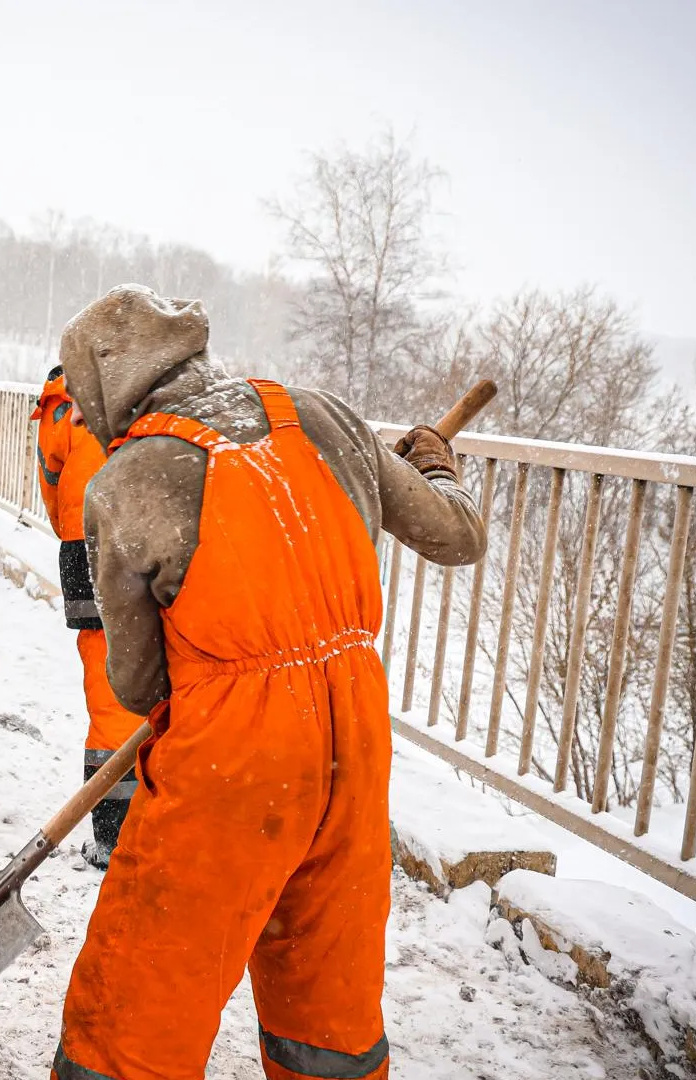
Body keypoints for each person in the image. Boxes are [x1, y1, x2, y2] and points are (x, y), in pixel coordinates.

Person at [50, 286, 486, 1080]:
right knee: (327, 997)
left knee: (142, 998)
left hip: (231, 761)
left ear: (105, 383)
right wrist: (432, 464)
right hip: (352, 741)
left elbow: (139, 685)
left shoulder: (128, 480)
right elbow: (457, 534)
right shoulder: (323, 417)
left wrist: (225, 674)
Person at [33, 365, 144, 870]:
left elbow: (51, 482)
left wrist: (74, 531)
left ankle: (115, 831)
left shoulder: (59, 406)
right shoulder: (146, 388)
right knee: (158, 678)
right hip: (149, 544)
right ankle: (146, 818)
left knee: (109, 689)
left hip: (86, 548)